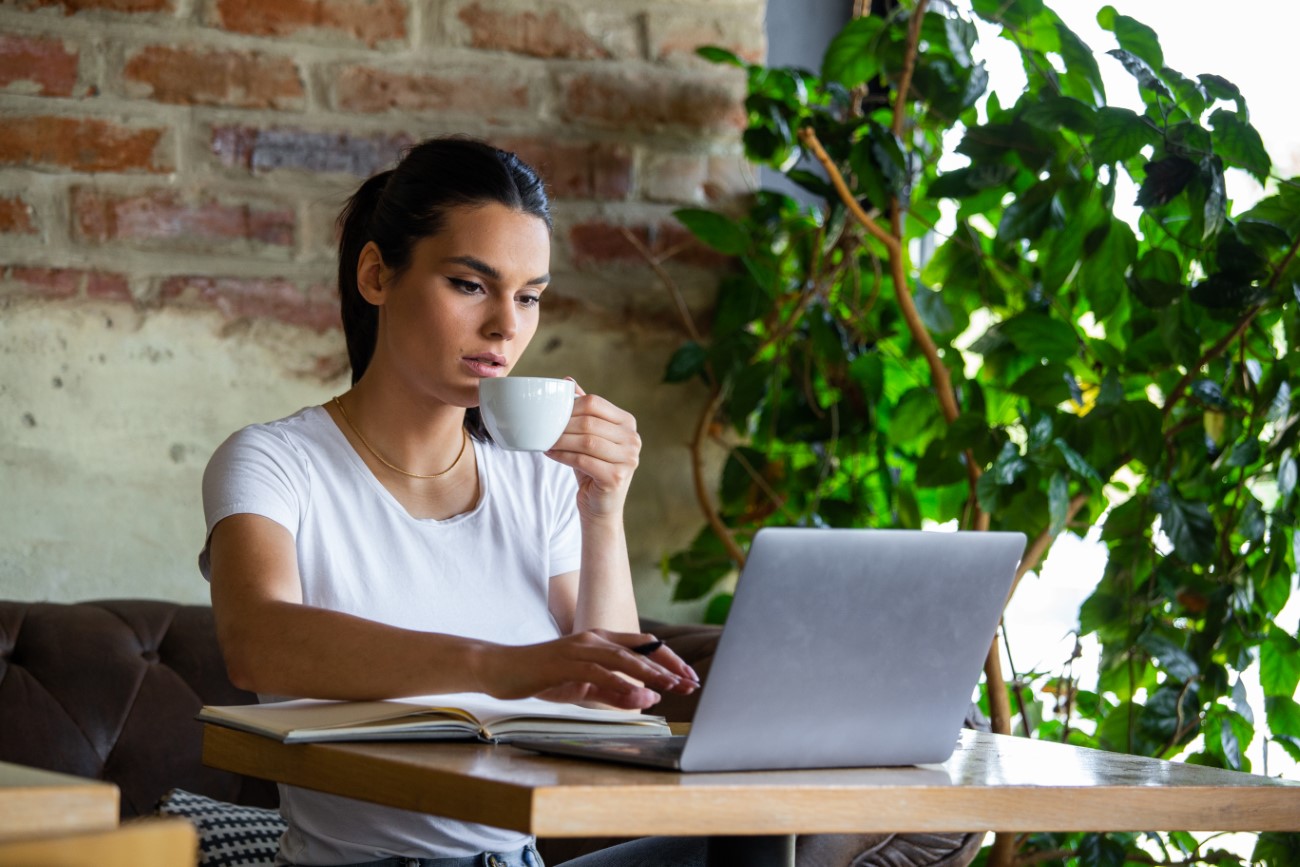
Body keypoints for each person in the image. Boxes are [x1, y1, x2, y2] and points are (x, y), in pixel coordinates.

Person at [200, 137, 709, 867]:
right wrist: (502, 665)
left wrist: (602, 510)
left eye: (529, 296)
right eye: (471, 284)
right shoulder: (276, 463)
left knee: (753, 845)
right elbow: (259, 642)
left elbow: (609, 707)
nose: (507, 325)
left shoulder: (538, 480)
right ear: (376, 274)